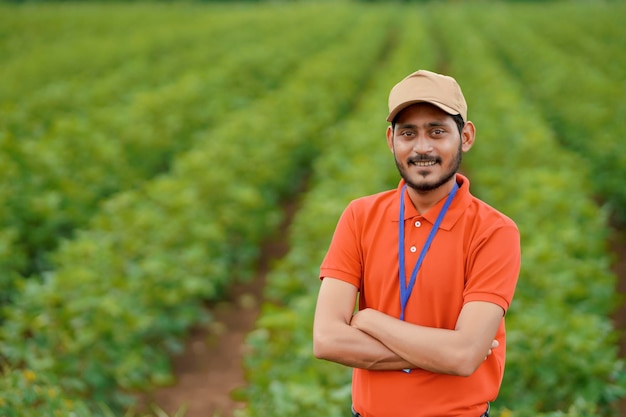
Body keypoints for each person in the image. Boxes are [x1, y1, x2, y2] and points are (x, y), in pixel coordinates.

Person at [313, 69, 520, 417]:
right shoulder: (359, 216)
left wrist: (370, 320)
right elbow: (327, 340)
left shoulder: (494, 231)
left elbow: (464, 357)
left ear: (465, 136)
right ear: (390, 139)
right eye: (408, 133)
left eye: (437, 131)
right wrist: (444, 352)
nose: (422, 147)